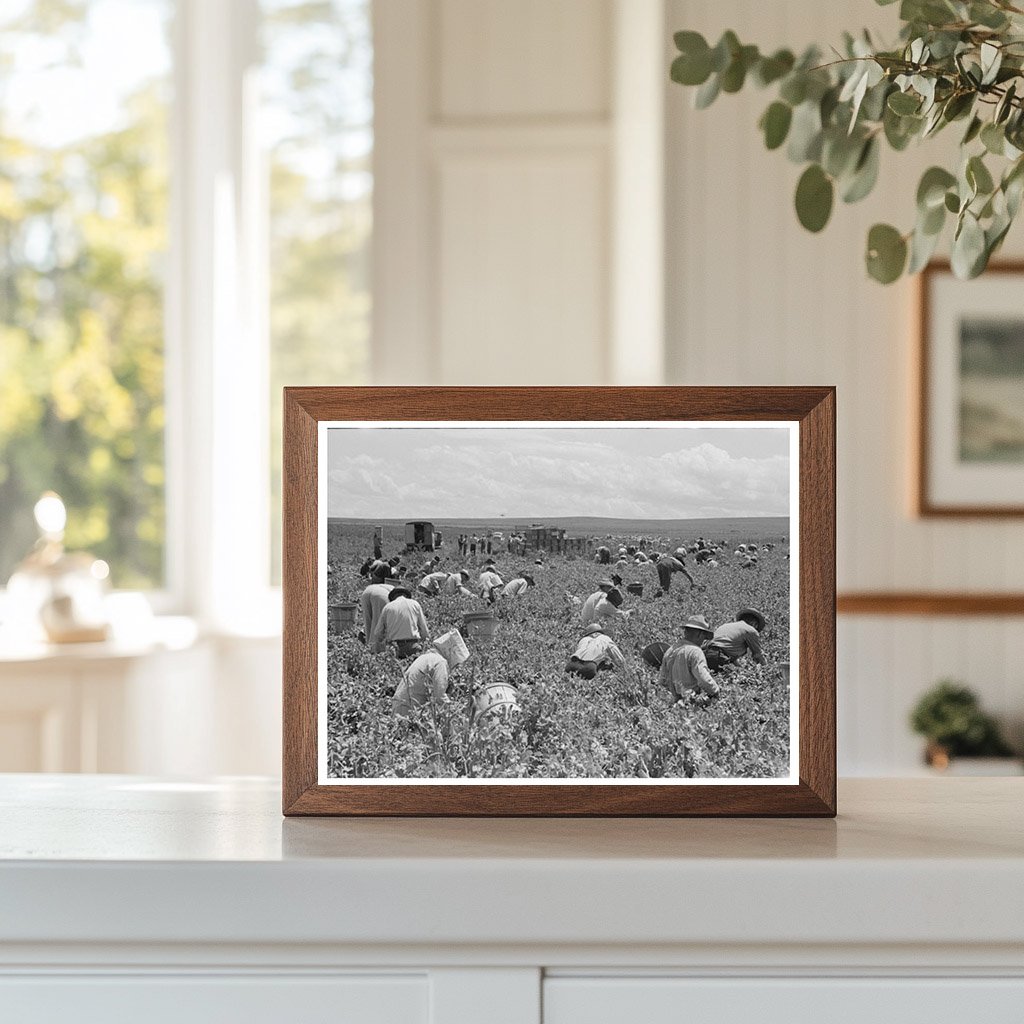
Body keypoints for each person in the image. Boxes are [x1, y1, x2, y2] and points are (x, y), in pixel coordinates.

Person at [393, 629, 470, 716]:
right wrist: (456, 712)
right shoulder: (440, 662)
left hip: (400, 706)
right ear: (450, 652)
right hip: (408, 710)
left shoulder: (427, 657)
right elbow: (439, 697)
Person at [659, 615, 719, 699]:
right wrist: (716, 691)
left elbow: (662, 680)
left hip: (670, 701)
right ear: (700, 634)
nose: (703, 641)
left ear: (685, 632)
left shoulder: (671, 649)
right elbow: (703, 678)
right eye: (704, 637)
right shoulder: (695, 651)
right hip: (690, 700)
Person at [371, 586, 430, 658]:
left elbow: (378, 633)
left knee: (394, 667)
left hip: (394, 647)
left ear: (393, 597)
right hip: (412, 646)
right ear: (406, 595)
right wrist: (424, 643)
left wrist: (381, 643)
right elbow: (424, 631)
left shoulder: (388, 607)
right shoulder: (415, 604)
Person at [359, 578, 395, 653]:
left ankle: (368, 648)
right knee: (378, 622)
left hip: (367, 591)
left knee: (368, 622)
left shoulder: (390, 587)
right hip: (381, 595)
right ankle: (376, 652)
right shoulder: (401, 599)